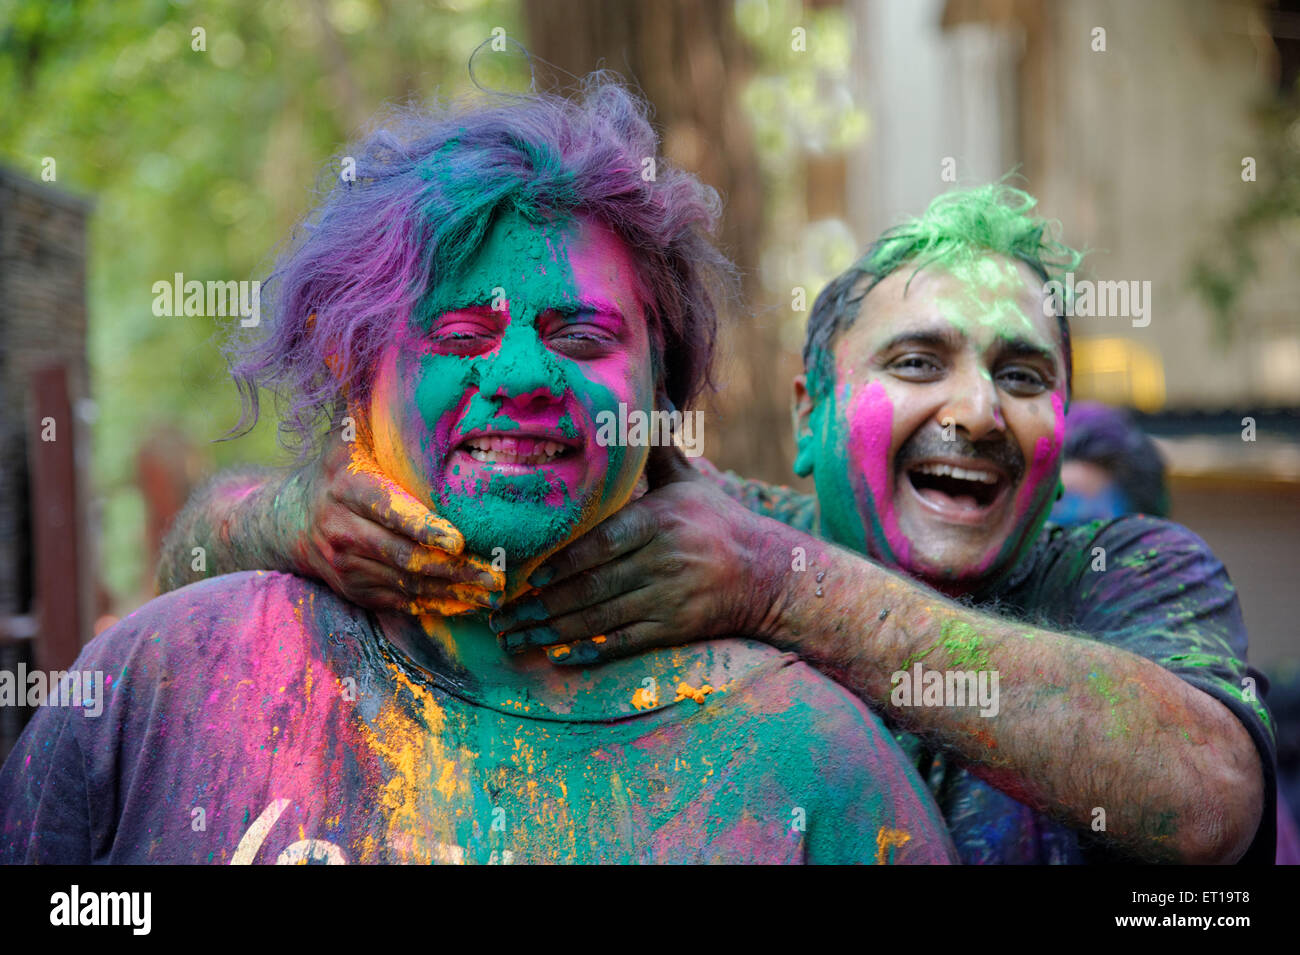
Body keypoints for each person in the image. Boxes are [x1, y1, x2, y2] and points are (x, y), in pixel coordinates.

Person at [0, 80, 956, 865]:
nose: (521, 378)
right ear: (351, 373)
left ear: (661, 394)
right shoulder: (166, 684)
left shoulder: (815, 767)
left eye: (580, 337)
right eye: (460, 336)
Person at [174, 183, 1277, 864]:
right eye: (917, 361)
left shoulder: (1126, 567)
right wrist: (287, 517)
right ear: (809, 414)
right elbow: (193, 543)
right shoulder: (703, 527)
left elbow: (1207, 803)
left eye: (1023, 374)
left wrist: (788, 589)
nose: (977, 411)